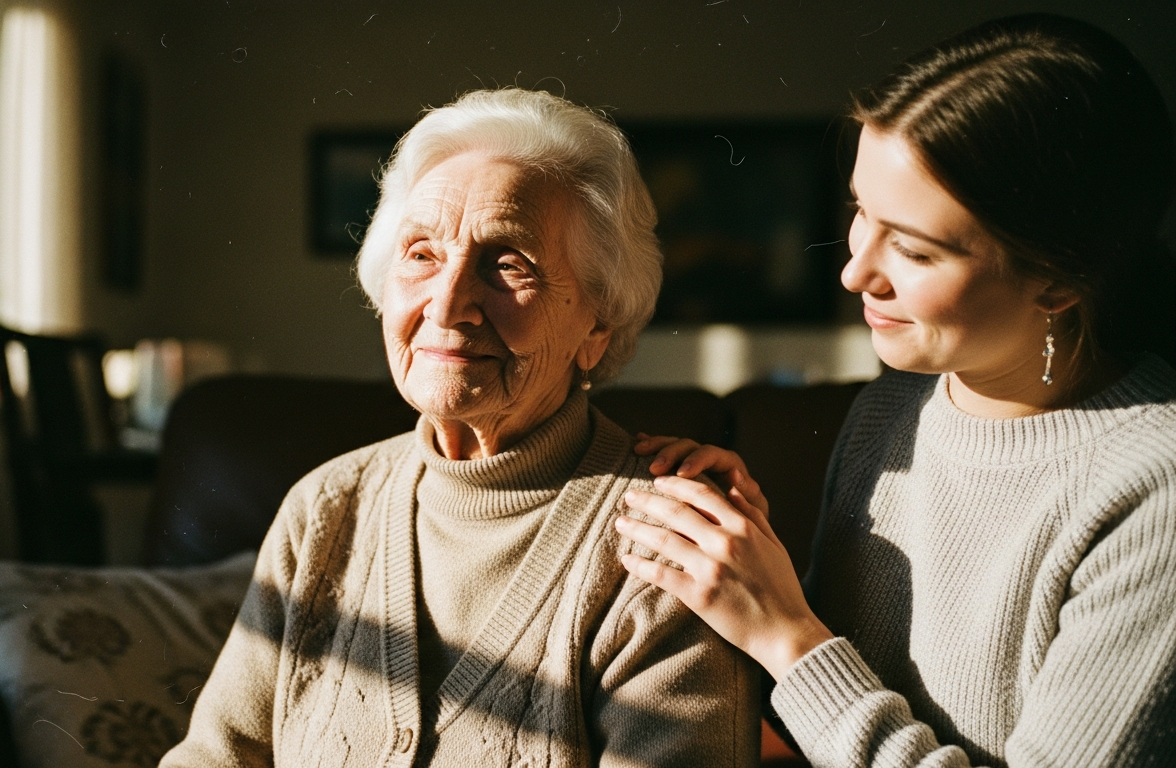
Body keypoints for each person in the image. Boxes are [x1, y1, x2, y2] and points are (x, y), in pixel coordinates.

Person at [615, 14, 1176, 767]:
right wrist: (744, 555)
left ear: (1058, 282)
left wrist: (788, 632)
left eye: (912, 248)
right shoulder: (893, 409)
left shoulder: (1154, 491)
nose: (855, 273)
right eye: (859, 214)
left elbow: (811, 664)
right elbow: (823, 708)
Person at [160, 88, 758, 768]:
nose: (448, 304)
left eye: (507, 263)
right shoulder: (324, 509)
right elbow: (213, 756)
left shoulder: (664, 552)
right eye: (421, 254)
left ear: (597, 325)